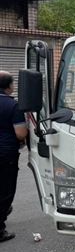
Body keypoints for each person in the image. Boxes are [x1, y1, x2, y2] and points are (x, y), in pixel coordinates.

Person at [0, 71, 28, 242]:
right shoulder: (12, 105)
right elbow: (20, 133)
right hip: (5, 154)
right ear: (9, 86)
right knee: (5, 190)